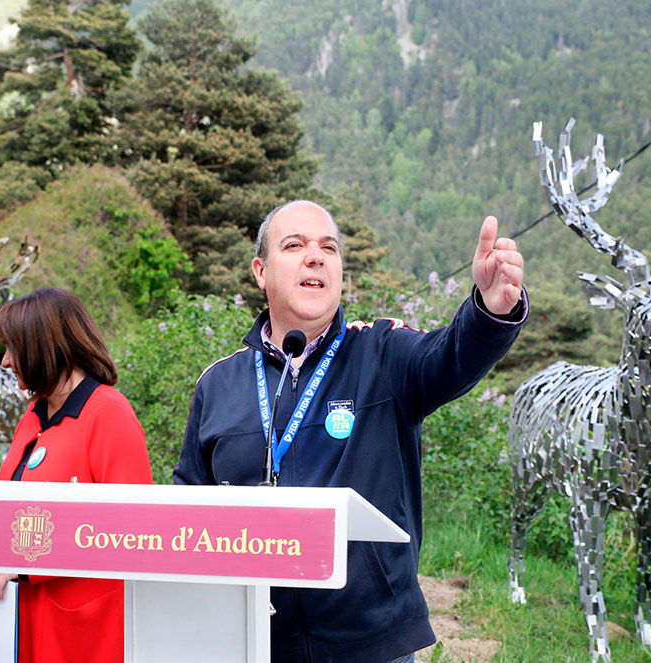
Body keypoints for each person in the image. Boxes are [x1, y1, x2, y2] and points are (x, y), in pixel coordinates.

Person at [174, 200, 527, 663]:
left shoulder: (382, 352)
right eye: (295, 245)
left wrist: (487, 312)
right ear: (261, 271)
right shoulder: (218, 383)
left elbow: (450, 357)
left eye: (328, 247)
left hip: (373, 644)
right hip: (250, 642)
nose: (316, 256)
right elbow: (186, 510)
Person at [0, 287, 152, 663]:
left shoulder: (108, 414)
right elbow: (9, 505)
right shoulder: (34, 415)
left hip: (83, 635)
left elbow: (130, 532)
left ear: (44, 347)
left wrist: (23, 566)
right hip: (22, 626)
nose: (6, 361)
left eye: (13, 348)